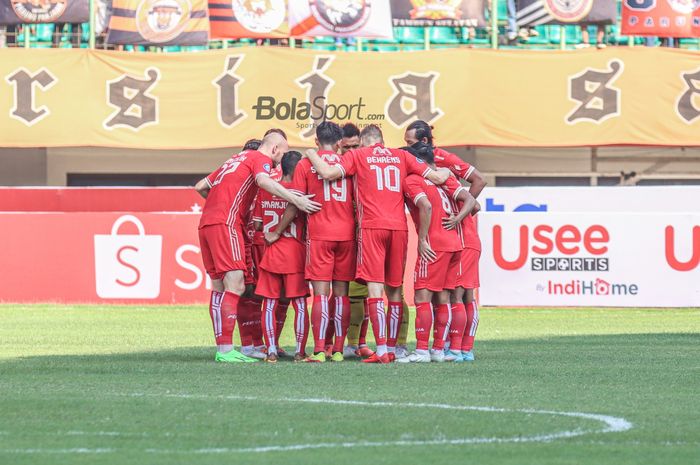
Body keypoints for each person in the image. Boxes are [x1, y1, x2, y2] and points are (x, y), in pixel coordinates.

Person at [305, 124, 451, 363]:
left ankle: (381, 350)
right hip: (398, 228)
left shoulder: (358, 155)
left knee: (374, 289)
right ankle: (392, 348)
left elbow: (328, 173)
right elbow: (436, 176)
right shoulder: (401, 155)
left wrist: (311, 153)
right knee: (394, 290)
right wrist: (449, 174)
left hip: (372, 227)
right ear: (382, 141)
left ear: (364, 142)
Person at [194, 132, 321, 363]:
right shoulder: (258, 157)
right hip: (227, 224)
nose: (277, 163)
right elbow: (263, 181)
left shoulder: (234, 159)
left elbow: (201, 186)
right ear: (274, 150)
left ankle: (223, 347)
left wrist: (219, 202)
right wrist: (297, 200)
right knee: (237, 284)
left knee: (219, 286)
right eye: (279, 156)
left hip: (207, 223)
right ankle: (225, 351)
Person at [270, 122, 356, 363]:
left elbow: (294, 202)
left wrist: (277, 231)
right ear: (340, 142)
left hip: (319, 235)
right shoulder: (349, 162)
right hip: (347, 234)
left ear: (316, 142)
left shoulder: (306, 164)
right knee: (341, 294)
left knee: (320, 295)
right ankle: (338, 350)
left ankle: (319, 350)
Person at [404, 120, 486, 362]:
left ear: (425, 142)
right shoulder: (441, 175)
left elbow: (478, 184)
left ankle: (458, 348)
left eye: (410, 144)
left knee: (459, 295)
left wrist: (456, 218)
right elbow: (474, 203)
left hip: (457, 238)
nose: (406, 148)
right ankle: (448, 348)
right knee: (450, 296)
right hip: (456, 239)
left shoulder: (442, 162)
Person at [254, 151, 310, 363]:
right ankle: (299, 351)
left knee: (269, 303)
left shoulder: (266, 191)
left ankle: (270, 351)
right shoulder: (300, 193)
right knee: (300, 304)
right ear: (297, 169)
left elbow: (258, 225)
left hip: (271, 253)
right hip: (294, 252)